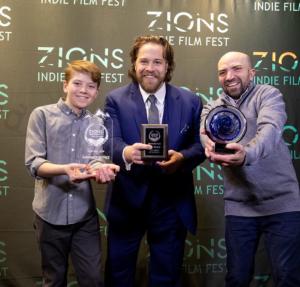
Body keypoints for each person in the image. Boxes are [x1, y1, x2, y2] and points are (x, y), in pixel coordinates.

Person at [101, 35, 205, 286]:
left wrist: (182, 157)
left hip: (172, 202)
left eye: (157, 61)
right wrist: (126, 152)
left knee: (166, 277)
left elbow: (202, 145)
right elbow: (108, 140)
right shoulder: (114, 99)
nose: (150, 68)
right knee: (118, 276)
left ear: (168, 66)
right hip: (127, 200)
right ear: (134, 64)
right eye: (144, 61)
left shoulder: (191, 101)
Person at [200, 51, 300, 286]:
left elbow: (270, 129)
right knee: (237, 278)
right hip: (240, 207)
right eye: (222, 72)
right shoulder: (211, 109)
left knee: (287, 277)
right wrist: (210, 147)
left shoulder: (269, 95)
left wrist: (247, 155)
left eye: (236, 69)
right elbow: (205, 136)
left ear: (251, 72)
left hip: (282, 204)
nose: (229, 76)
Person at [25, 60, 120, 287]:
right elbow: (34, 162)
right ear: (65, 85)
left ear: (96, 92)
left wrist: (101, 168)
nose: (83, 90)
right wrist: (64, 169)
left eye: (90, 86)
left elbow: (95, 158)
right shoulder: (42, 115)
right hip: (49, 213)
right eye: (77, 83)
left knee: (94, 280)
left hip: (83, 216)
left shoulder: (97, 122)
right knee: (54, 279)